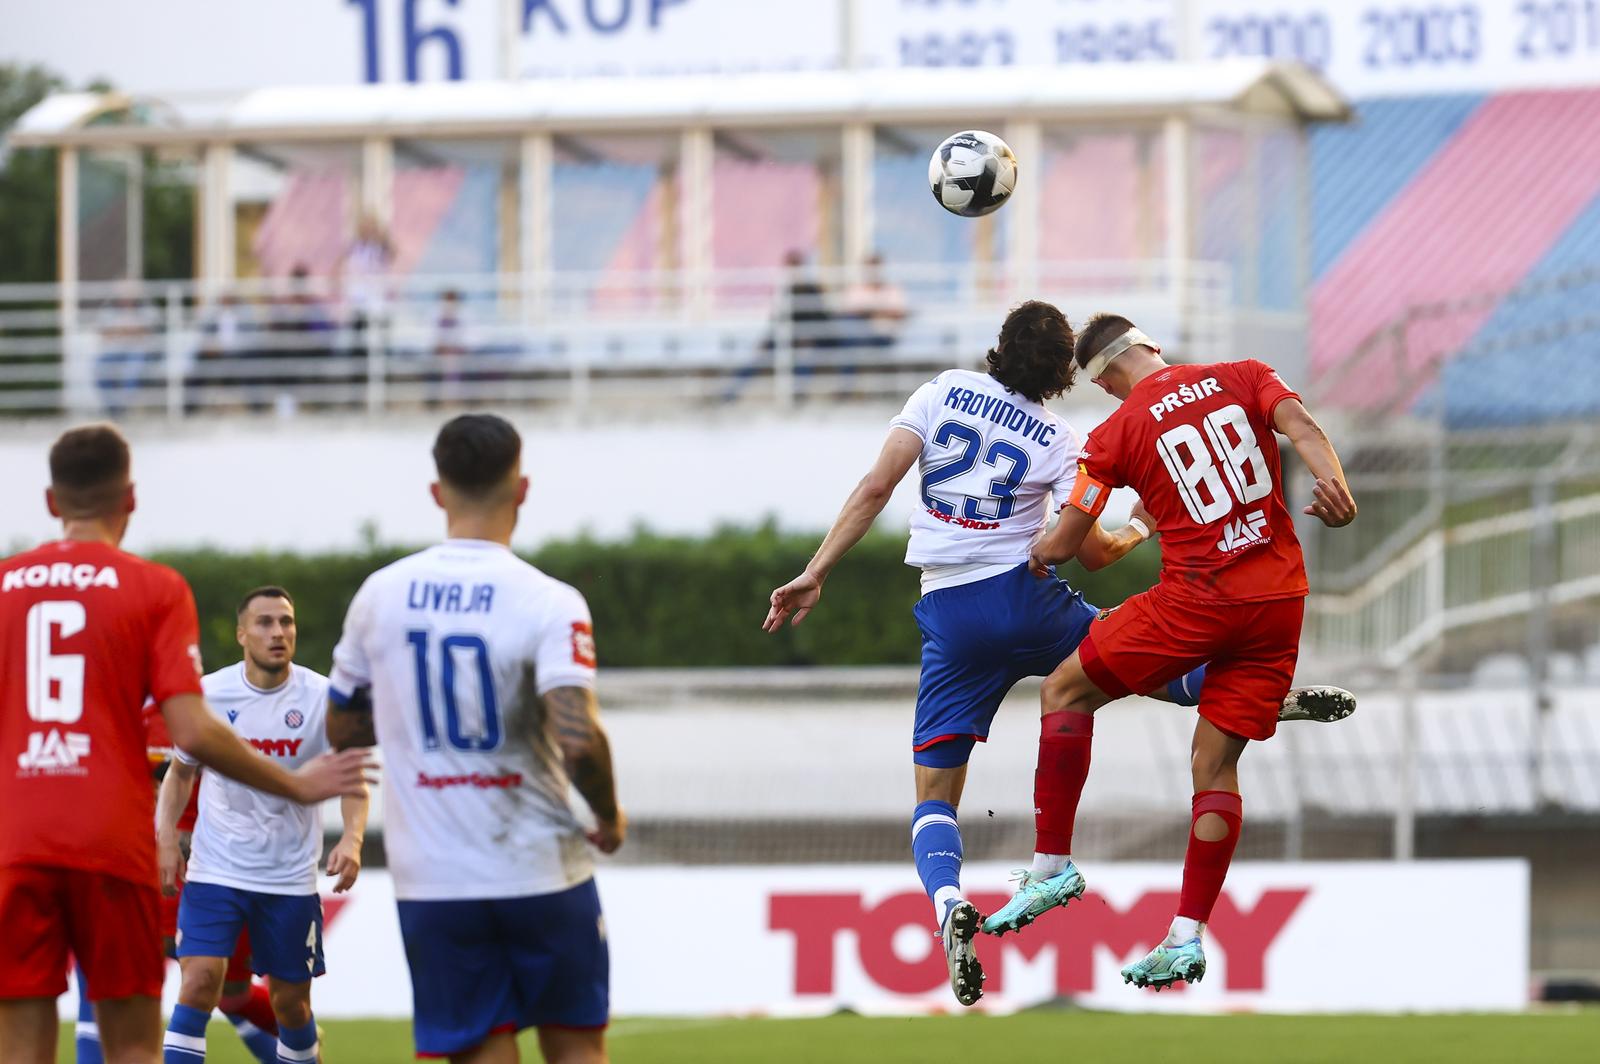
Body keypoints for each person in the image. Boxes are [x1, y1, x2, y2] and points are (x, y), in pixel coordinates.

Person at [762, 301, 1354, 1008]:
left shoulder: (946, 392)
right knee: (1115, 662)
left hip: (953, 613)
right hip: (1052, 600)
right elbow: (1093, 550)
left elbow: (876, 487)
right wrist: (1135, 531)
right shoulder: (1066, 434)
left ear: (1001, 348)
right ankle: (1245, 702)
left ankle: (955, 900)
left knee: (939, 789)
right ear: (1061, 379)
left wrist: (816, 571)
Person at [986, 314, 1357, 990]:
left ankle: (1052, 867)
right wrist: (1334, 485)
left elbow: (1068, 546)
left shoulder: (1115, 433)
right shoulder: (1245, 375)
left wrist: (1033, 550)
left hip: (1198, 601)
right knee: (1214, 767)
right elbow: (1303, 426)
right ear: (1150, 345)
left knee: (1064, 689)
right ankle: (1185, 935)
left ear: (1103, 383)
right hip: (1279, 600)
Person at [0, 423, 373, 1064]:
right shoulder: (154, 589)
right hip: (111, 842)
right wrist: (294, 783)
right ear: (131, 500)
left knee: (23, 1039)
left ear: (51, 502)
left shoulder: (6, 582)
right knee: (148, 1027)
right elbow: (193, 735)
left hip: (18, 839)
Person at [325, 413, 624, 1064]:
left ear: (437, 492)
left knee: (478, 1051)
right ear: (523, 488)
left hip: (434, 879)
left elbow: (342, 726)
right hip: (541, 867)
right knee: (577, 1047)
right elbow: (578, 740)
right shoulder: (550, 600)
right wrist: (608, 815)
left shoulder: (380, 595)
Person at [156, 585, 366, 1064]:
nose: (278, 632)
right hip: (215, 871)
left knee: (291, 1005)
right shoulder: (209, 694)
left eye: (286, 622)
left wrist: (352, 839)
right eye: (265, 623)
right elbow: (180, 773)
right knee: (199, 983)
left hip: (288, 879)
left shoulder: (322, 699)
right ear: (242, 634)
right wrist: (165, 836)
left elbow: (354, 781)